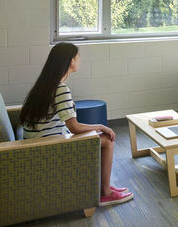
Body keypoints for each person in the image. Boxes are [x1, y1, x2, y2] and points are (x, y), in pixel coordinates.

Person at [19, 43, 133, 206]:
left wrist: (95, 128)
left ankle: (103, 187)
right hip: (47, 146)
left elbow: (69, 125)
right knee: (108, 140)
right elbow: (74, 127)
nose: (79, 59)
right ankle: (105, 192)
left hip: (38, 142)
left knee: (100, 136)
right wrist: (100, 126)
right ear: (71, 61)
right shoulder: (60, 89)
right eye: (78, 57)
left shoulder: (43, 85)